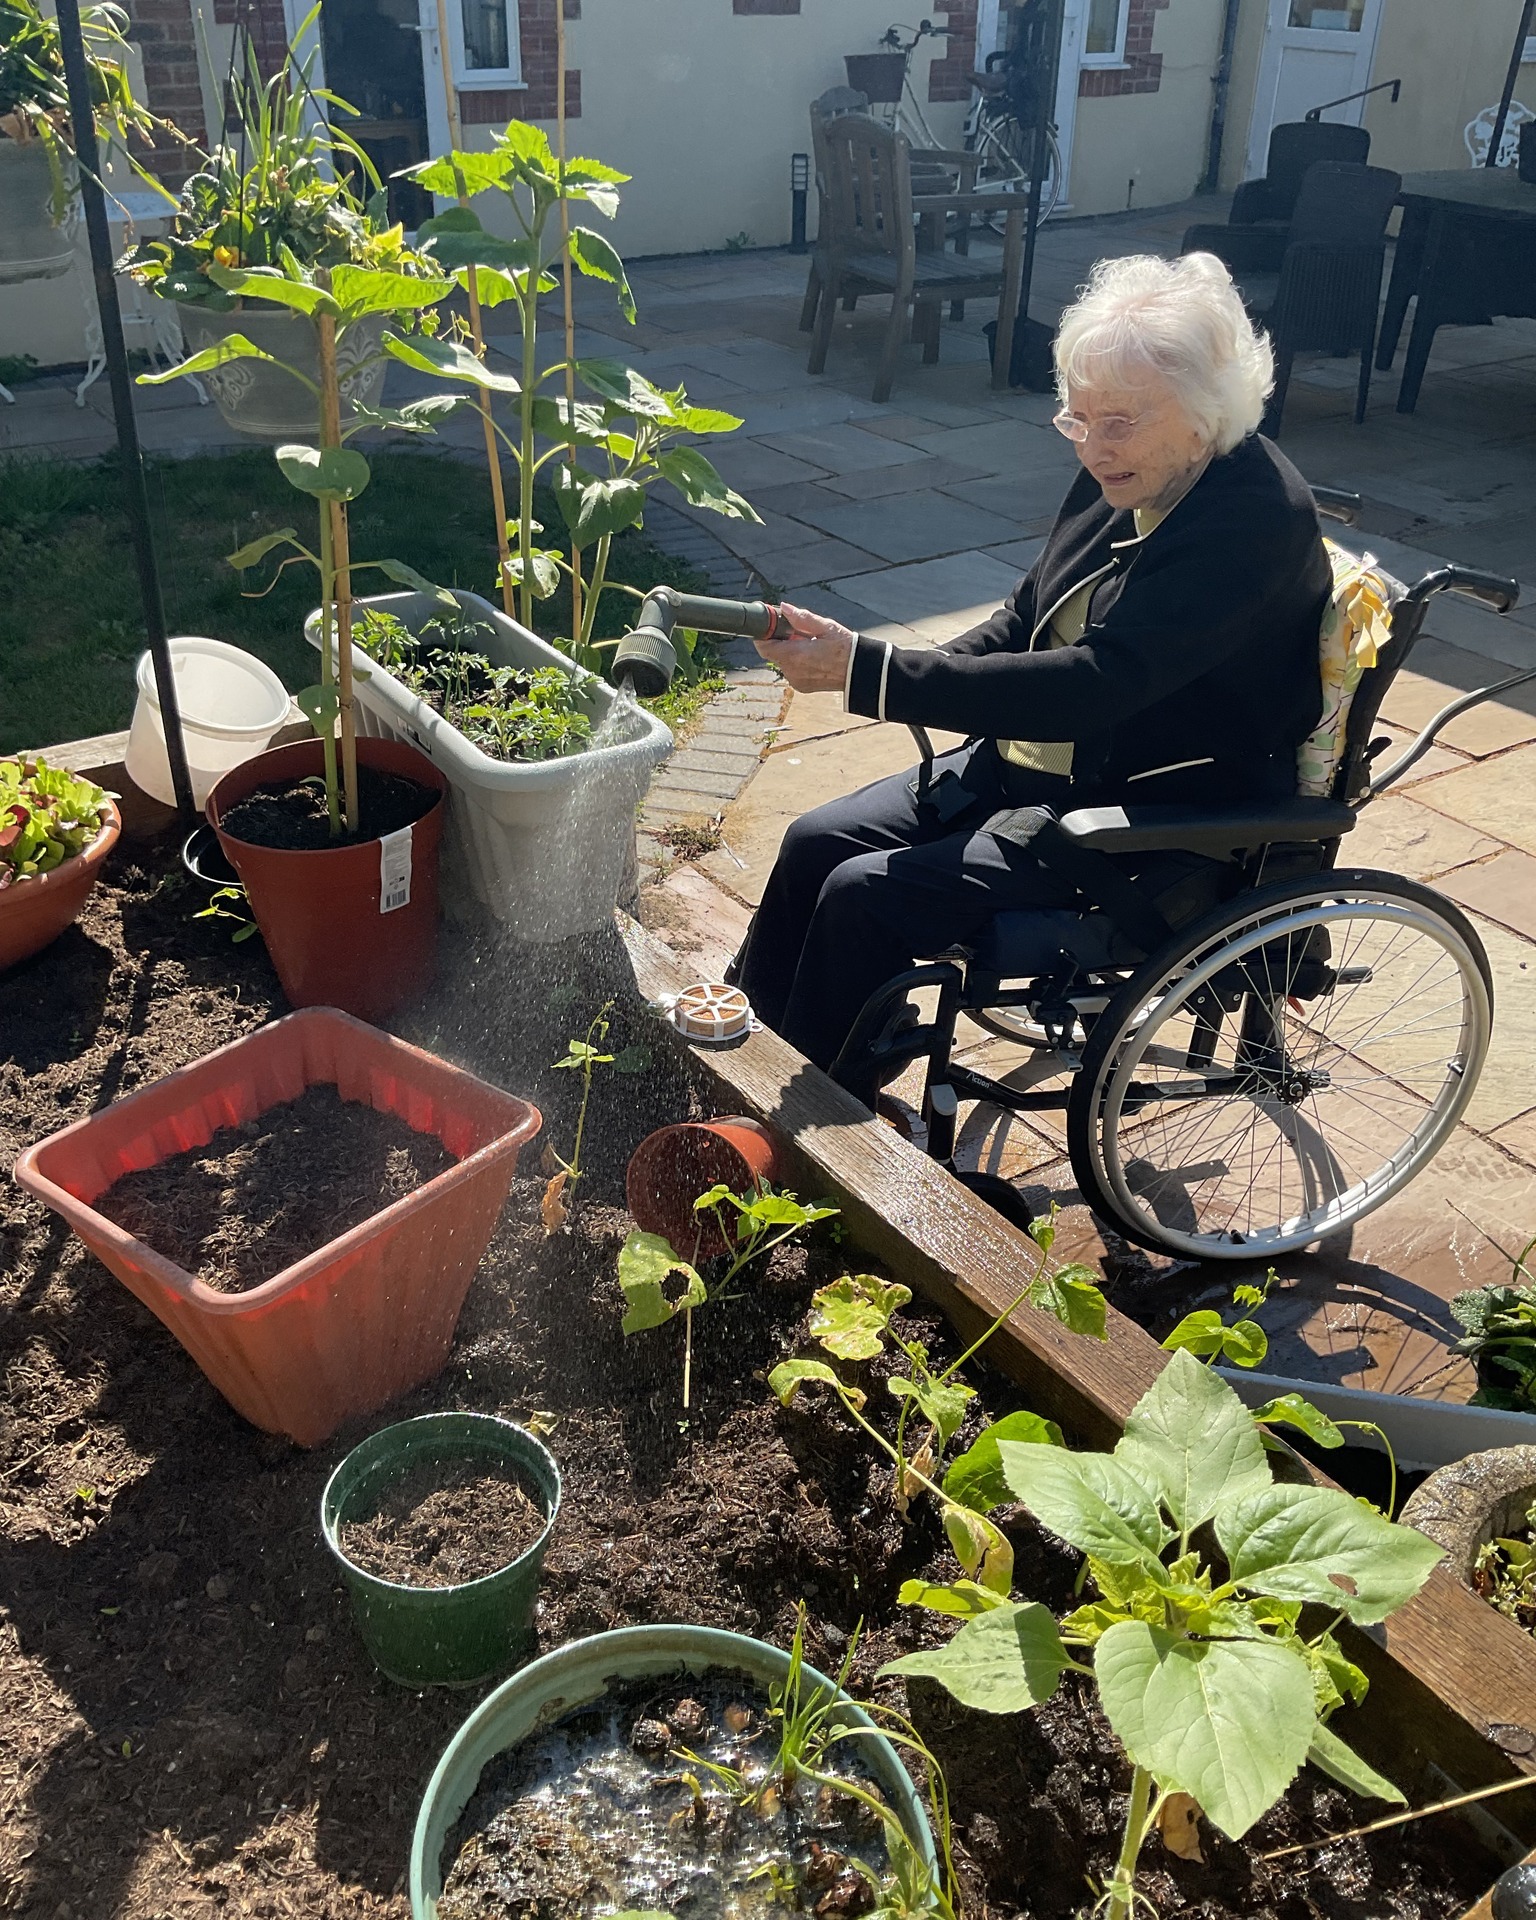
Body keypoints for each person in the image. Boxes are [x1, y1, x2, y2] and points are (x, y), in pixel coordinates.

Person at [729, 250, 1330, 1104]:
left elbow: (1097, 686)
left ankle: (810, 1113)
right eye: (1076, 419)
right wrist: (872, 661)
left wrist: (873, 676)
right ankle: (741, 1057)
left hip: (1152, 818)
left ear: (1205, 416)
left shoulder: (1252, 522)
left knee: (865, 897)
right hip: (1043, 770)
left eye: (1117, 422)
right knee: (814, 843)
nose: (1093, 447)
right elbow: (1026, 614)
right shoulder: (1133, 469)